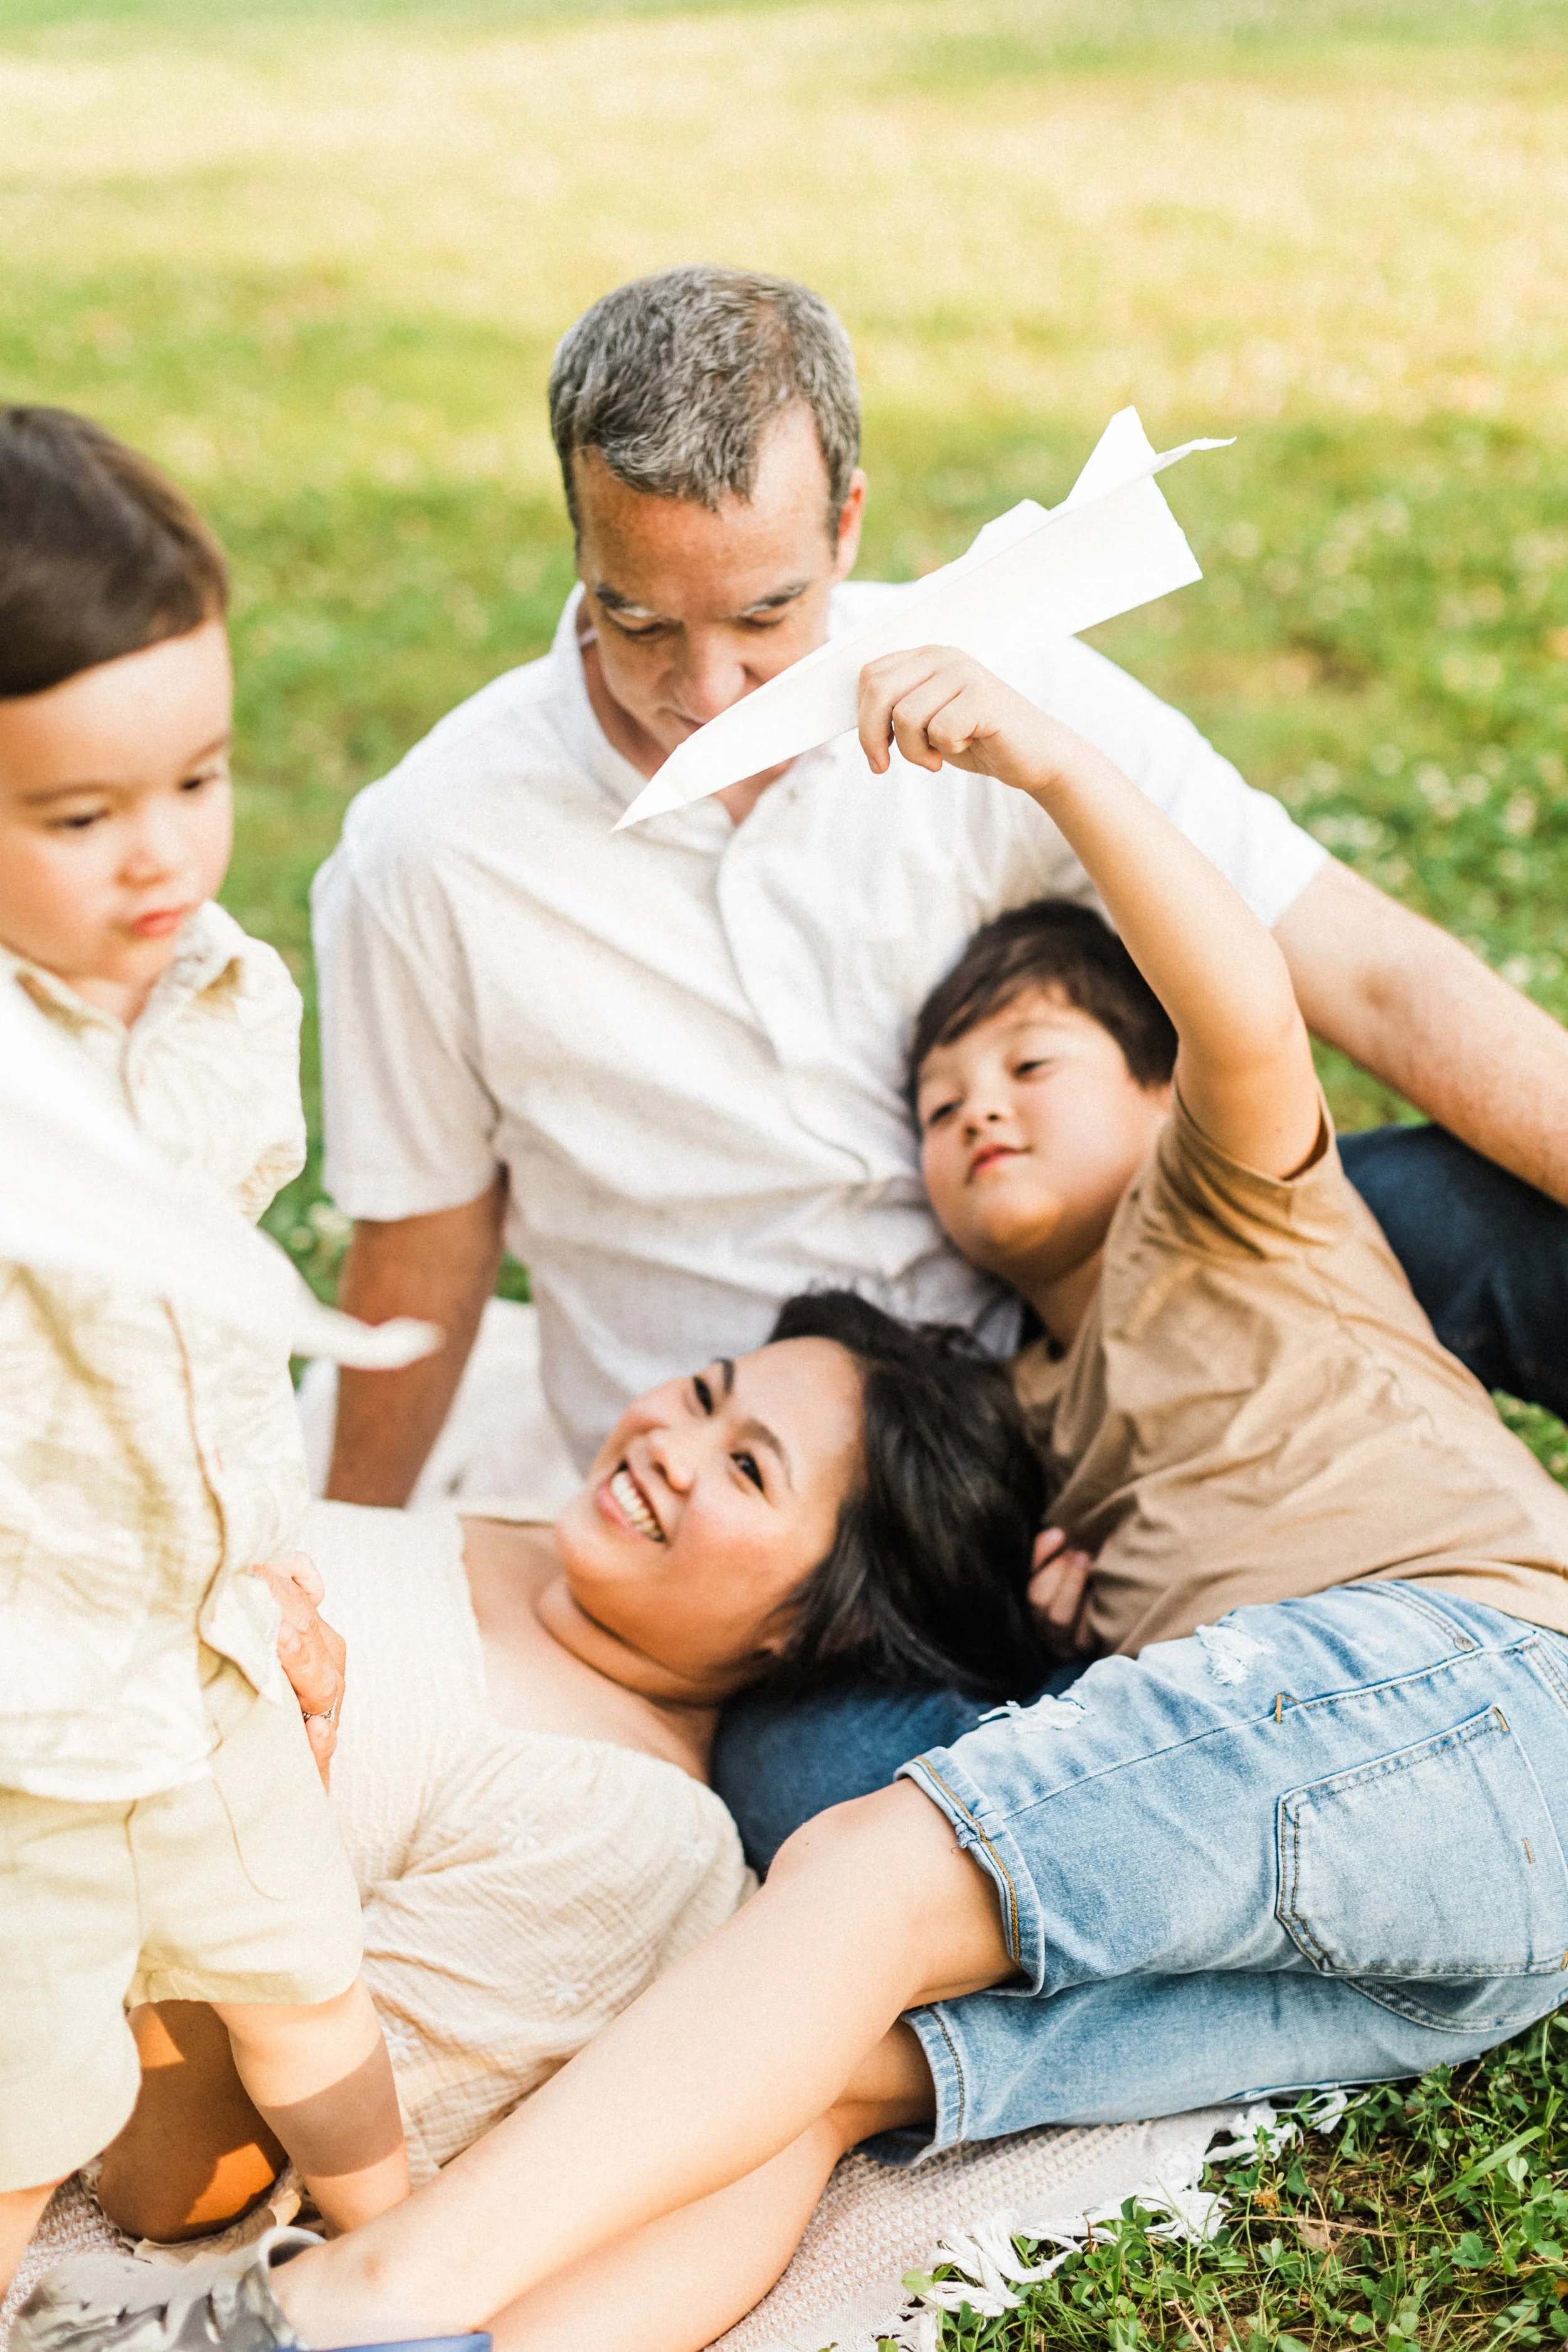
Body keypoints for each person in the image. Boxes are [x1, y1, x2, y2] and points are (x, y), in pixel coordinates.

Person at [35, 644, 1568, 2352]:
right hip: (1446, 1934)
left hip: (1489, 1691)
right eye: (940, 1102)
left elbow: (1246, 1005)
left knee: (874, 1866)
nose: (978, 1109)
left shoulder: (1239, 1208)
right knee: (845, 2060)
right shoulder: (1020, 1434)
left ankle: (344, 2305)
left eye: (1032, 1064)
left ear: (1155, 1091)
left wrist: (1057, 764)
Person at [315, 262, 1568, 1542]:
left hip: (1091, 1335)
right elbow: (424, 1243)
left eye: (765, 614)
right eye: (635, 618)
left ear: (847, 523)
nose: (709, 689)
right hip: (780, 1517)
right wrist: (347, 1549)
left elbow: (1367, 972)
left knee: (1469, 1218)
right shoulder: (430, 854)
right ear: (579, 536)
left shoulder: (992, 687)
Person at [58, 1293, 1044, 2277]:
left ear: (829, 1625)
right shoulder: (537, 1518)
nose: (672, 1445)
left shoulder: (635, 1833)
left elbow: (173, 2187)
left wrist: (258, 1800)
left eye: (748, 1468)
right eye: (705, 1393)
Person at [0, 407, 410, 2294]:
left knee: (315, 2005)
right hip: (29, 1721)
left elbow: (217, 1341)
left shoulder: (225, 992)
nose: (160, 852)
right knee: (19, 2115)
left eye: (200, 777)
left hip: (213, 1665)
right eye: (81, 818)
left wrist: (274, 1565)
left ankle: (416, 2266)